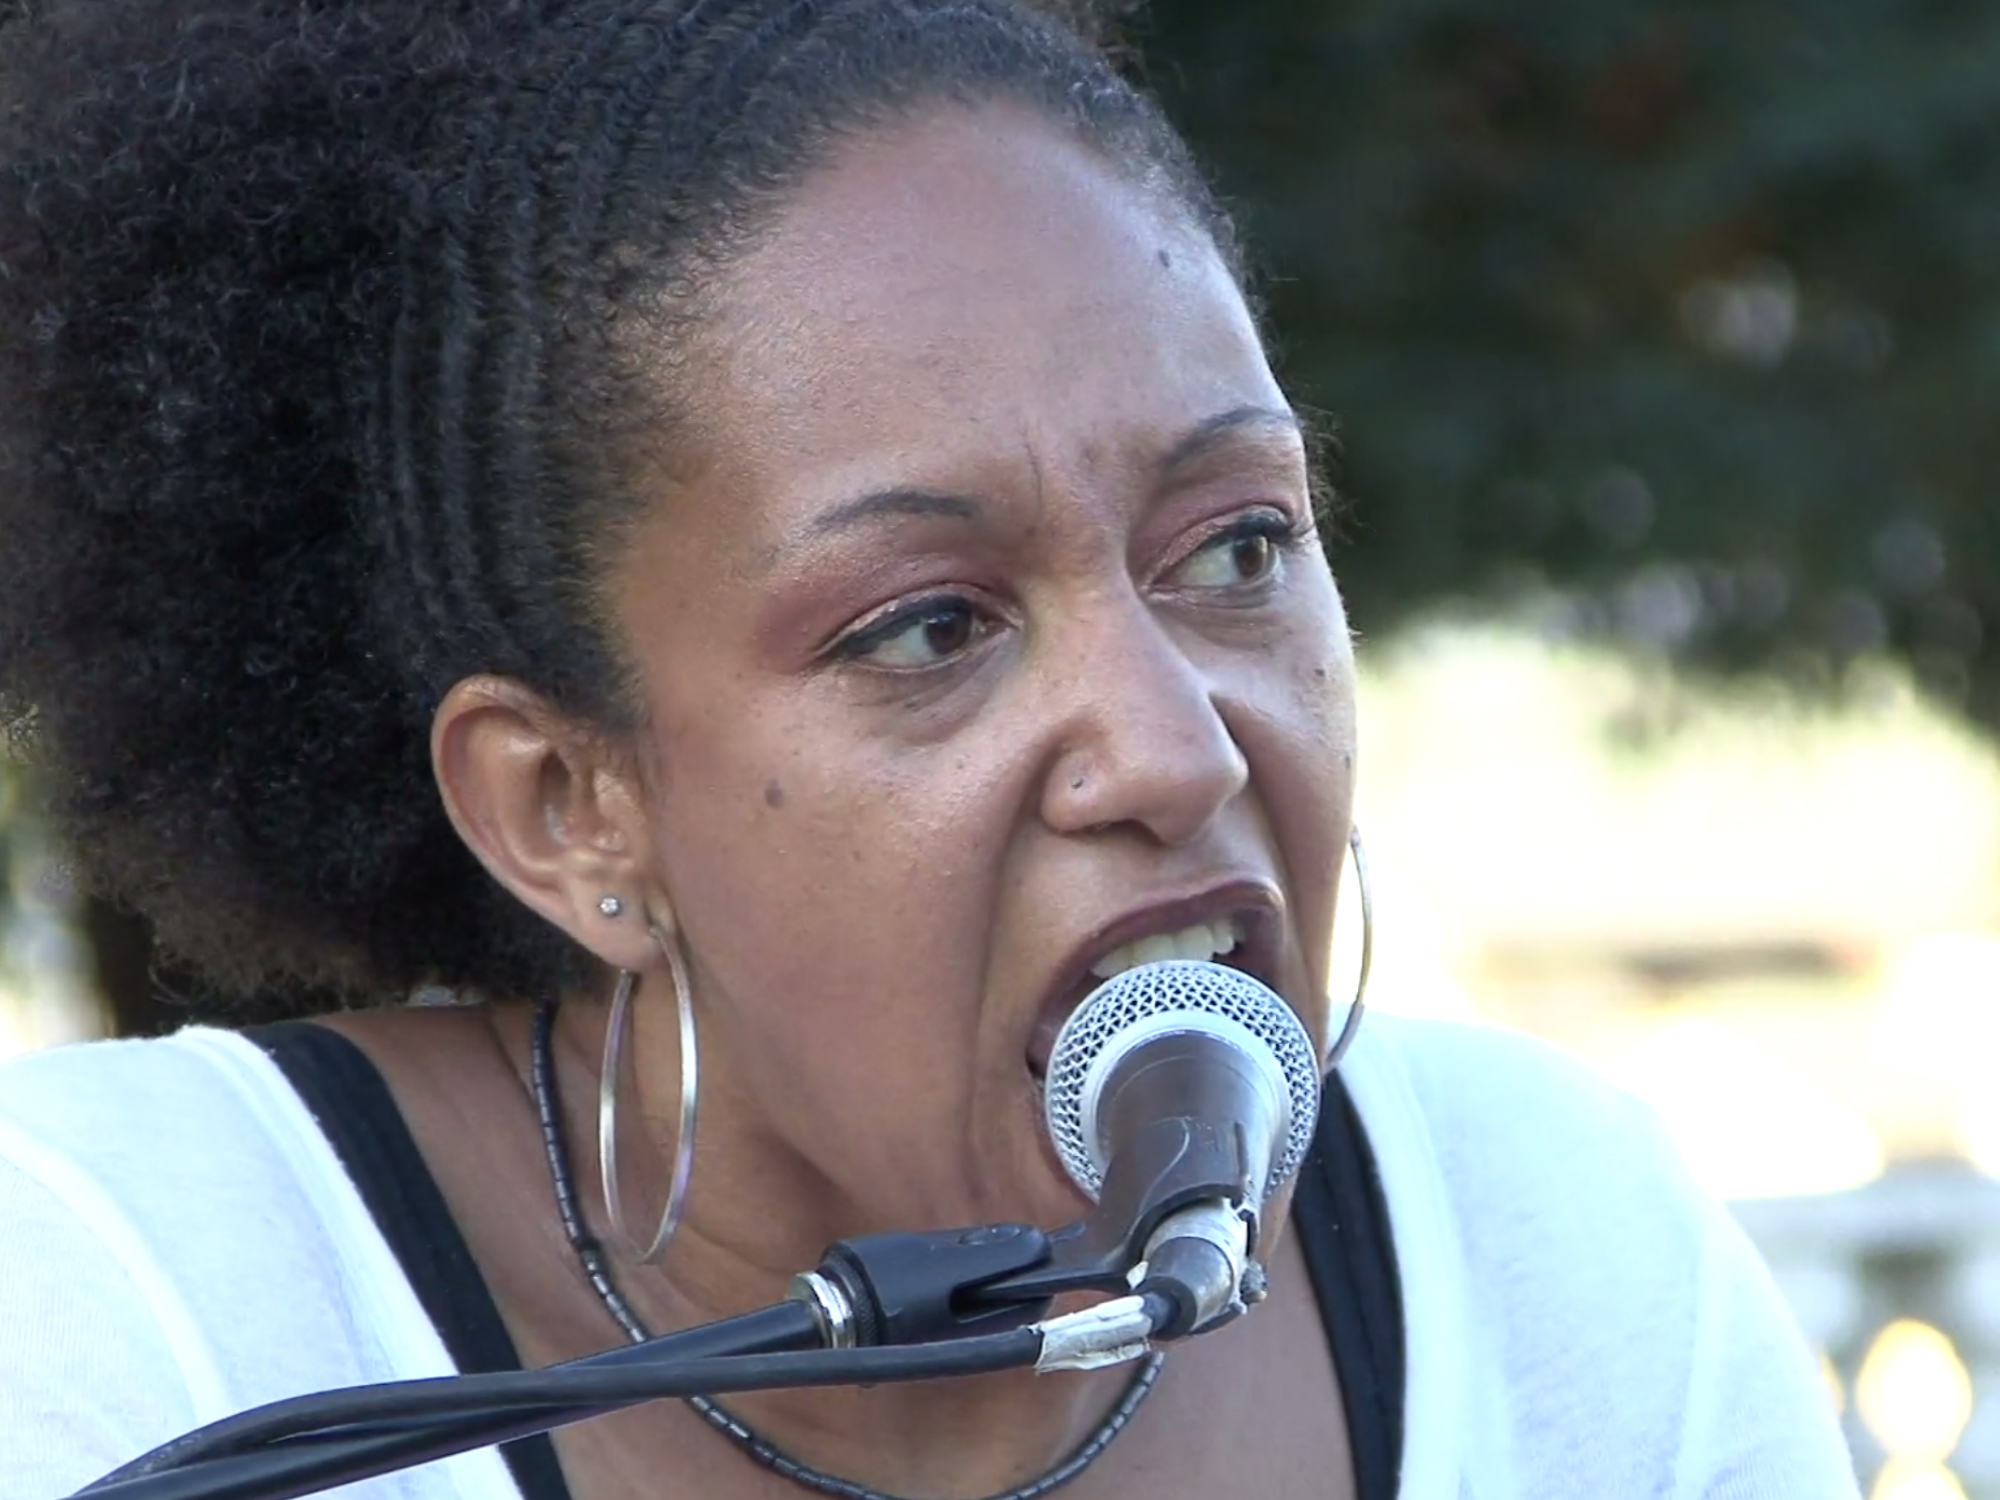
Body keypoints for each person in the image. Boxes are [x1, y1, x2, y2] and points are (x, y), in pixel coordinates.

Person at [0, 2, 1859, 1497]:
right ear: (570, 808)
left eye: (1237, 548)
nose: (1174, 752)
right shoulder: (132, 1302)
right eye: (928, 629)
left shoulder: (1561, 1253)